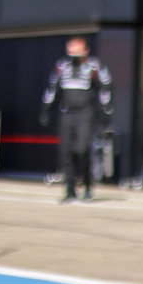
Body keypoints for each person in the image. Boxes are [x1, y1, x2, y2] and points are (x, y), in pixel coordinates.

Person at [41, 36, 113, 203]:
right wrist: (45, 108)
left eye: (77, 50)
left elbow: (106, 90)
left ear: (85, 50)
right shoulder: (62, 66)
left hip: (85, 113)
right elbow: (52, 88)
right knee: (66, 152)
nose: (73, 54)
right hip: (67, 113)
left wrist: (106, 115)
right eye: (71, 50)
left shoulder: (95, 66)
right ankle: (70, 190)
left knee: (82, 149)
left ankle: (87, 185)